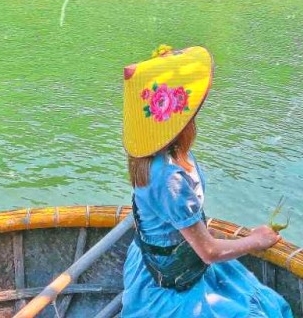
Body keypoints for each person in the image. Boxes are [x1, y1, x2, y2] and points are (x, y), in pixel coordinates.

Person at [121, 45, 293, 318]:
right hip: (172, 280)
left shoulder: (156, 155)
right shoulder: (169, 179)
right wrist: (256, 241)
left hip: (164, 259)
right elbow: (210, 252)